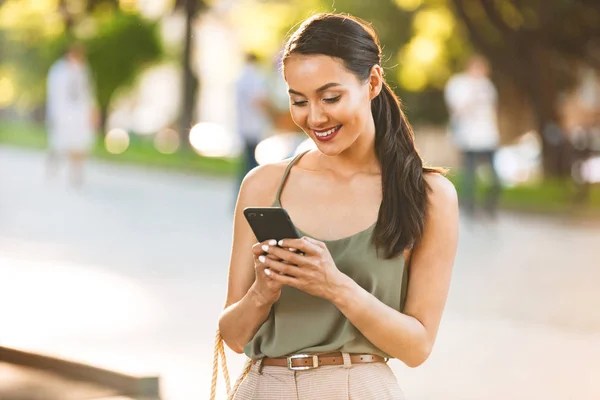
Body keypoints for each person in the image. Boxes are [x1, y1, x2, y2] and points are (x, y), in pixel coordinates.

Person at [218, 13, 458, 399]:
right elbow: (231, 335)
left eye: (331, 98)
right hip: (265, 387)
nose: (315, 117)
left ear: (373, 83)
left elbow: (417, 347)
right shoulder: (263, 185)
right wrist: (262, 292)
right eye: (299, 101)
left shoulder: (428, 194)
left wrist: (335, 286)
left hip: (356, 387)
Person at [444, 55, 501, 217]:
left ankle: (489, 207)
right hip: (468, 138)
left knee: (494, 177)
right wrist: (473, 95)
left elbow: (492, 113)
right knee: (469, 176)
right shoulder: (458, 84)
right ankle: (469, 207)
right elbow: (457, 110)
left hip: (487, 137)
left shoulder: (488, 87)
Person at [46, 42, 98, 188]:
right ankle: (53, 164)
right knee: (59, 142)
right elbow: (54, 95)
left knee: (80, 143)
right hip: (63, 113)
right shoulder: (58, 71)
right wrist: (54, 115)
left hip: (79, 113)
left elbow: (88, 93)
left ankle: (76, 174)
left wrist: (92, 111)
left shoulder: (83, 70)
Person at [235, 52, 271, 193]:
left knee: (246, 163)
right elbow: (259, 100)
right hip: (254, 126)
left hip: (243, 125)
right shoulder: (255, 78)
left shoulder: (240, 78)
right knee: (253, 164)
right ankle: (251, 194)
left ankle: (243, 193)